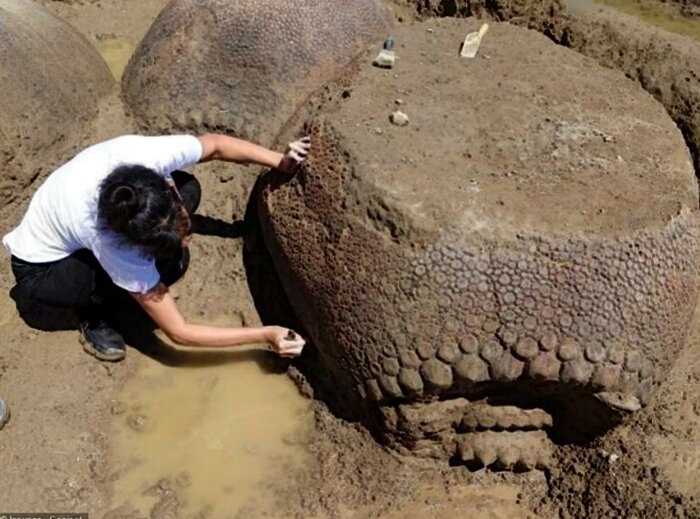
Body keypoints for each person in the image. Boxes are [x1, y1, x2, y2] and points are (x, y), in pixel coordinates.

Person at [3, 133, 311, 362]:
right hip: (42, 269)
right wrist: (265, 334)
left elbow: (216, 146)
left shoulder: (146, 156)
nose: (187, 240)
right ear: (133, 242)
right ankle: (93, 315)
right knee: (105, 283)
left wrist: (281, 161)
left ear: (164, 185)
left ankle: (136, 275)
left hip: (91, 213)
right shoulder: (109, 242)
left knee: (190, 187)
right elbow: (179, 332)